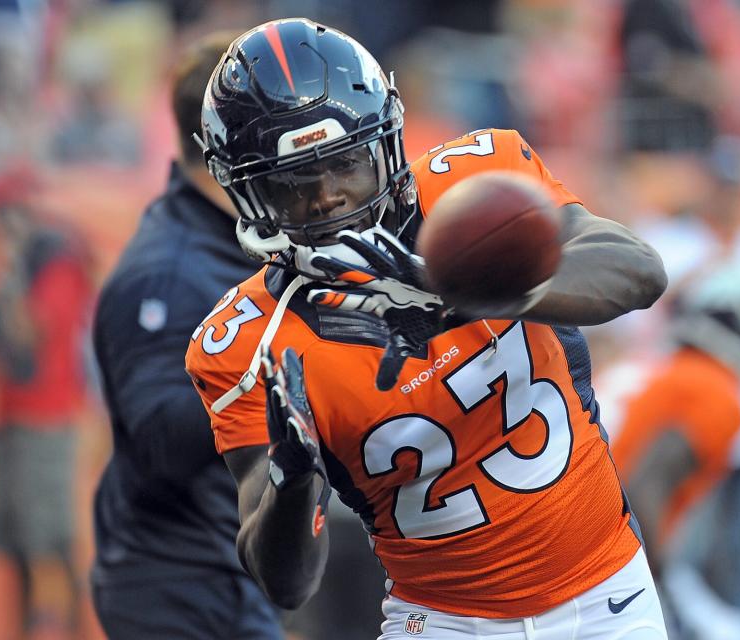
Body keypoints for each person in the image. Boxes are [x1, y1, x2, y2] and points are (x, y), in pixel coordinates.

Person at [185, 19, 669, 639]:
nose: (329, 196)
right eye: (296, 182)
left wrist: (472, 292)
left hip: (609, 593)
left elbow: (638, 271)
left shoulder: (475, 189)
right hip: (443, 624)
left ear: (384, 141)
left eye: (346, 164)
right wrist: (291, 478)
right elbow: (287, 582)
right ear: (251, 192)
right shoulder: (245, 342)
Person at [89, 33, 283, 640]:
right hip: (177, 585)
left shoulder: (235, 245)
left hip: (223, 573)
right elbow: (159, 439)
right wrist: (284, 374)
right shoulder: (169, 273)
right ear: (240, 141)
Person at [607, 270, 740, 639]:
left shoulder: (661, 369)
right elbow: (645, 484)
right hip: (608, 553)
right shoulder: (716, 391)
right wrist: (656, 579)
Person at [0, 166, 93, 635]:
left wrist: (10, 274)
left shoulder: (55, 263)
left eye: (2, 216)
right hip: (11, 418)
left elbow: (30, 335)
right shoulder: (29, 264)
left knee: (54, 543)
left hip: (46, 420)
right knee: (17, 546)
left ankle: (78, 630)